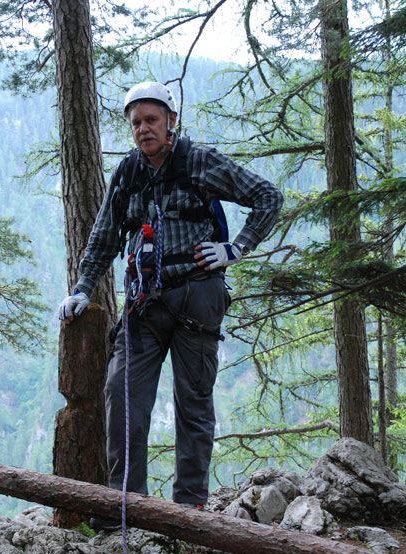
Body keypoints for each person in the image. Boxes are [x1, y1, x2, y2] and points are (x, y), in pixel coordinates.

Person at [58, 81, 283, 527]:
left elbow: (267, 197)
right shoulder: (128, 173)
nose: (143, 129)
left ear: (171, 121)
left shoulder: (199, 161)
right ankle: (126, 508)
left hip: (198, 296)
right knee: (122, 395)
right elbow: (104, 236)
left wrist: (236, 248)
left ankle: (189, 512)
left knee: (193, 402)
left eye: (152, 120)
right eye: (136, 122)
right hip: (144, 301)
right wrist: (83, 288)